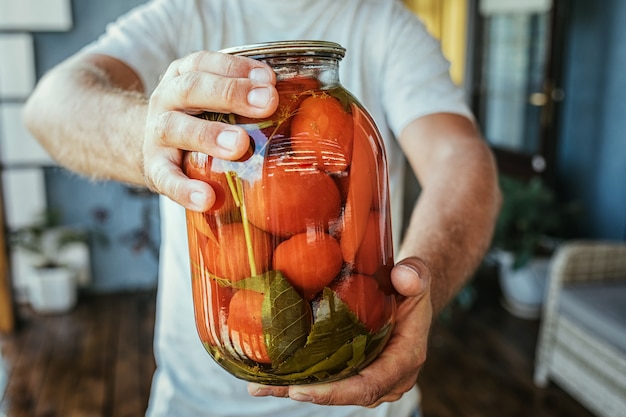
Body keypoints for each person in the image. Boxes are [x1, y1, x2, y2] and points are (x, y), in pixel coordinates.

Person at [23, 0, 501, 416]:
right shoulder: (183, 13)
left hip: (372, 386)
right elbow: (50, 105)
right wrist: (150, 137)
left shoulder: (387, 24)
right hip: (197, 404)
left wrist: (423, 284)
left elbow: (460, 158)